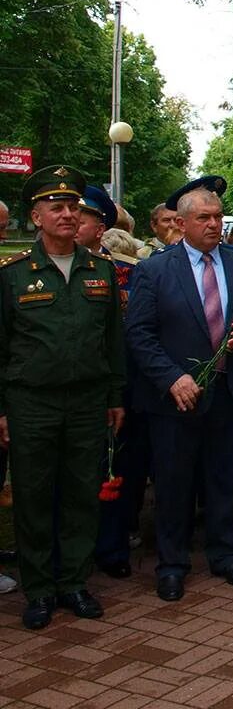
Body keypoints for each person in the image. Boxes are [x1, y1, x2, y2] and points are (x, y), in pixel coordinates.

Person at [126, 175, 233, 602]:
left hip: (227, 391)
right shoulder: (154, 270)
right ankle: (172, 564)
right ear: (181, 224)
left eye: (218, 217)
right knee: (174, 482)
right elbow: (140, 334)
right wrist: (172, 378)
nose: (213, 224)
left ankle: (225, 555)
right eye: (203, 217)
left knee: (224, 478)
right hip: (176, 398)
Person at [0, 166, 126, 629]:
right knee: (33, 497)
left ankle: (73, 581)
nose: (69, 214)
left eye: (74, 207)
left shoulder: (101, 271)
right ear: (36, 216)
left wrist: (115, 396)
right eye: (58, 208)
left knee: (80, 495)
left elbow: (113, 342)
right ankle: (38, 589)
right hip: (32, 403)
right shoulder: (12, 275)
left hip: (89, 401)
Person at [76, 186, 142, 579]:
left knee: (117, 468)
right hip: (74, 389)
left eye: (80, 215)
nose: (71, 220)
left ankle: (112, 546)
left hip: (119, 389)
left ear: (99, 228)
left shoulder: (126, 272)